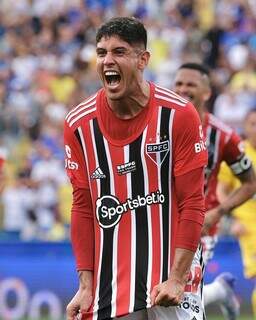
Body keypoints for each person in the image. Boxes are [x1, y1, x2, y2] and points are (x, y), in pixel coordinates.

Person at [64, 17, 208, 320]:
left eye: (119, 52)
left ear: (143, 60)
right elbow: (83, 206)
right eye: (102, 53)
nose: (107, 61)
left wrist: (178, 278)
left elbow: (192, 202)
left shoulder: (178, 115)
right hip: (112, 279)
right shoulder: (78, 125)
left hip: (171, 276)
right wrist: (85, 285)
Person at [173, 62, 256, 320]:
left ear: (207, 93)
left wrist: (217, 213)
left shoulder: (223, 136)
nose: (183, 89)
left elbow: (250, 182)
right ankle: (219, 291)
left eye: (191, 85)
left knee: (185, 291)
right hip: (163, 223)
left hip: (201, 224)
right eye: (179, 84)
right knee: (168, 293)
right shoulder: (159, 126)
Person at [217, 108, 256, 319]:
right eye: (253, 124)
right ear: (245, 127)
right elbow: (221, 191)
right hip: (250, 228)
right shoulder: (239, 156)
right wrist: (232, 218)